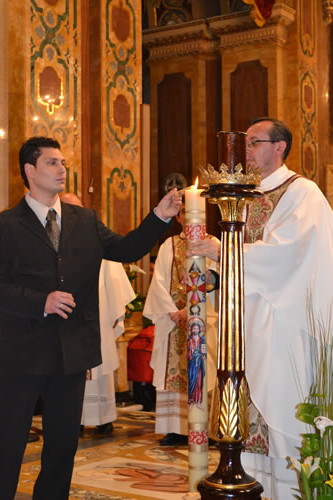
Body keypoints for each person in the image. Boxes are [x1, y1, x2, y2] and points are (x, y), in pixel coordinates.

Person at [0, 136, 182, 500]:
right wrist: (41, 301)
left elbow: (127, 249)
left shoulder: (84, 220)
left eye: (63, 163)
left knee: (63, 445)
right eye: (52, 163)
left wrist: (159, 216)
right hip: (21, 352)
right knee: (8, 443)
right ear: (30, 171)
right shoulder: (6, 225)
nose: (62, 169)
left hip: (71, 351)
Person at [188, 117, 333, 499]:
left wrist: (223, 249)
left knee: (280, 400)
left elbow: (289, 255)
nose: (245, 151)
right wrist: (216, 276)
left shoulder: (302, 192)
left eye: (254, 143)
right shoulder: (241, 194)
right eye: (245, 143)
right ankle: (248, 481)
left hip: (282, 321)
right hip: (244, 319)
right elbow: (239, 267)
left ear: (279, 147)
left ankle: (289, 491)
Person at [60, 192, 136, 436]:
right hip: (67, 322)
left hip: (98, 320)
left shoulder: (97, 240)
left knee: (100, 368)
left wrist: (113, 315)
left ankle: (104, 418)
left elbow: (117, 283)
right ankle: (75, 420)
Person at [143, 203, 218, 446]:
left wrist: (193, 309)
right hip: (174, 320)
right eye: (184, 212)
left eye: (194, 211)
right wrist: (173, 311)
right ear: (178, 217)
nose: (189, 216)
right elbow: (160, 282)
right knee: (174, 369)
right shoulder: (169, 245)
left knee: (208, 372)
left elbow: (219, 279)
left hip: (205, 319)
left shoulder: (214, 244)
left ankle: (208, 428)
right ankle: (175, 428)